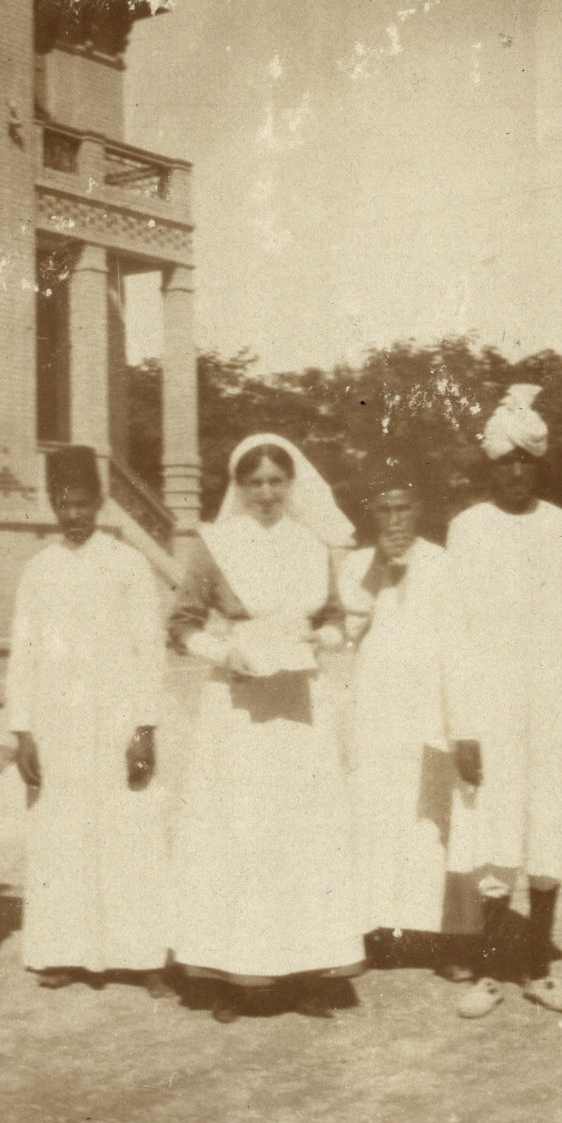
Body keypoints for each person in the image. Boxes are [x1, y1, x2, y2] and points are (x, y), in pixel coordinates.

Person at [167, 433, 366, 1022]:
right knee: (239, 833)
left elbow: (335, 620)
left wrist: (321, 637)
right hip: (238, 712)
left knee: (299, 835)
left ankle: (305, 974)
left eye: (277, 480)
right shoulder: (215, 545)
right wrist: (222, 652)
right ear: (239, 486)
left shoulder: (311, 544)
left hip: (298, 710)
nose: (266, 493)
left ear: (291, 484)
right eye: (254, 482)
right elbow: (178, 623)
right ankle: (232, 976)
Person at [445, 386, 562, 1018]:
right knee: (493, 834)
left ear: (538, 466)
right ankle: (489, 973)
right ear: (490, 466)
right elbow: (456, 634)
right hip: (489, 709)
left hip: (551, 709)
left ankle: (539, 967)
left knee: (547, 830)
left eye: (527, 461)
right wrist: (463, 728)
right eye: (505, 462)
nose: (516, 473)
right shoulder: (468, 528)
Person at [5, 445, 170, 997]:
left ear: (99, 502)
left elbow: (150, 649)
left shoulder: (128, 564)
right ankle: (62, 952)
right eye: (62, 503)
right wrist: (23, 731)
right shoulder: (38, 570)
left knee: (129, 834)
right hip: (56, 725)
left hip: (117, 721)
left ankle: (142, 956)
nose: (72, 514)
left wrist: (145, 727)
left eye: (81, 503)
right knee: (61, 836)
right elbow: (24, 653)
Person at [339, 463, 476, 978]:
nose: (395, 519)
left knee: (433, 821)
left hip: (429, 709)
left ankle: (448, 941)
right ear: (371, 515)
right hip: (374, 710)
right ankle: (374, 929)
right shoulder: (355, 566)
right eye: (384, 509)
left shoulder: (443, 562)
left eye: (404, 508)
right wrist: (380, 567)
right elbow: (348, 632)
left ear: (419, 511)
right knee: (374, 814)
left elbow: (460, 641)